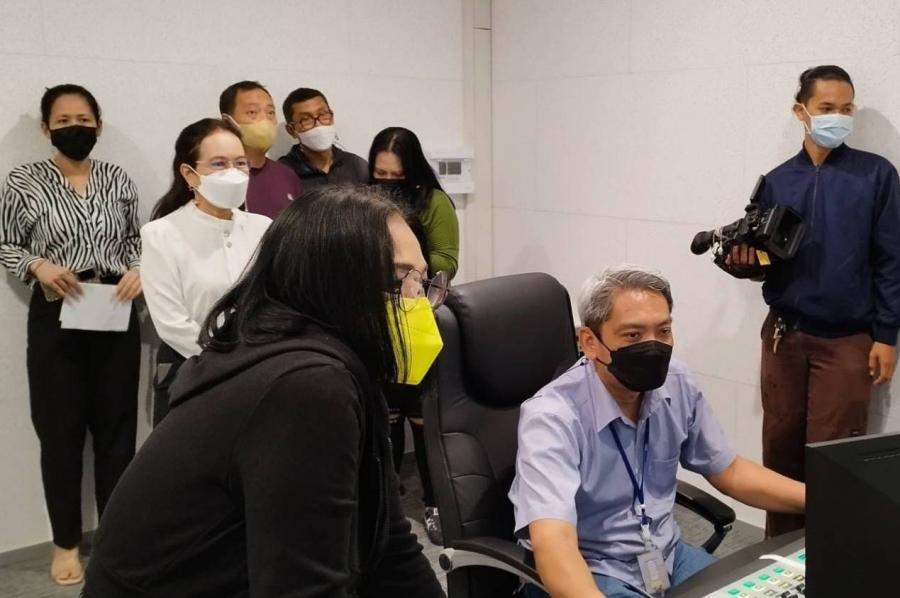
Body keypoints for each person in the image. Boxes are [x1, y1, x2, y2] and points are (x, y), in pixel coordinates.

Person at [83, 187, 446, 598]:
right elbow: (304, 589)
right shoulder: (304, 386)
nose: (419, 302)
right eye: (399, 280)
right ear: (333, 283)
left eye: (422, 281)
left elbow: (389, 541)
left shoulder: (326, 363)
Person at [510, 266, 805, 598]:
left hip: (668, 555)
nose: (653, 347)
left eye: (663, 331)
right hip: (592, 567)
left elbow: (730, 471)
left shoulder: (676, 383)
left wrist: (821, 497)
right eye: (633, 335)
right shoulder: (552, 417)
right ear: (590, 342)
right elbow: (555, 543)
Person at [729, 65, 900, 538]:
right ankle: (778, 552)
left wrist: (887, 335)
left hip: (847, 341)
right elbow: (766, 262)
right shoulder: (777, 181)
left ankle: (831, 558)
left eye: (846, 109)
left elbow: (892, 259)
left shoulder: (876, 175)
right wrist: (745, 263)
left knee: (833, 460)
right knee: (780, 453)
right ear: (800, 111)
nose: (837, 117)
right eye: (826, 108)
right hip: (784, 338)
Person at [0, 84, 142, 586]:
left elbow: (135, 239)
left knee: (117, 432)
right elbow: (6, 243)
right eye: (62, 121)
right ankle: (65, 542)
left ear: (98, 123)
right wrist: (36, 265)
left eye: (83, 119)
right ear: (46, 128)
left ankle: (117, 538)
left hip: (115, 308)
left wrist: (138, 268)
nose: (74, 128)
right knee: (59, 433)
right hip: (57, 310)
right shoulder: (23, 181)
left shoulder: (118, 178)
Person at [141, 118, 271, 426]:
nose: (233, 173)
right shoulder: (161, 233)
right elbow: (171, 323)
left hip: (257, 372)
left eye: (240, 163)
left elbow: (273, 300)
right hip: (192, 372)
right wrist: (228, 360)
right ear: (189, 174)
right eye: (219, 164)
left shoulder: (263, 227)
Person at [368, 126, 459, 544]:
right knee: (383, 416)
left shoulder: (434, 201)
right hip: (374, 317)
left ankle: (436, 503)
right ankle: (385, 504)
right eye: (380, 175)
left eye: (396, 176)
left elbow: (447, 260)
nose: (388, 183)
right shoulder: (363, 201)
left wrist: (406, 266)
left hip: (419, 313)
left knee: (424, 417)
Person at [219, 80, 301, 219]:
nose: (265, 120)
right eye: (252, 112)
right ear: (227, 121)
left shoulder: (287, 176)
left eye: (270, 112)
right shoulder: (216, 177)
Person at [279, 87, 368, 194]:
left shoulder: (356, 165)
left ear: (332, 117)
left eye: (323, 114)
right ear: (291, 130)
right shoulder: (282, 173)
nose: (318, 125)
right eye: (306, 119)